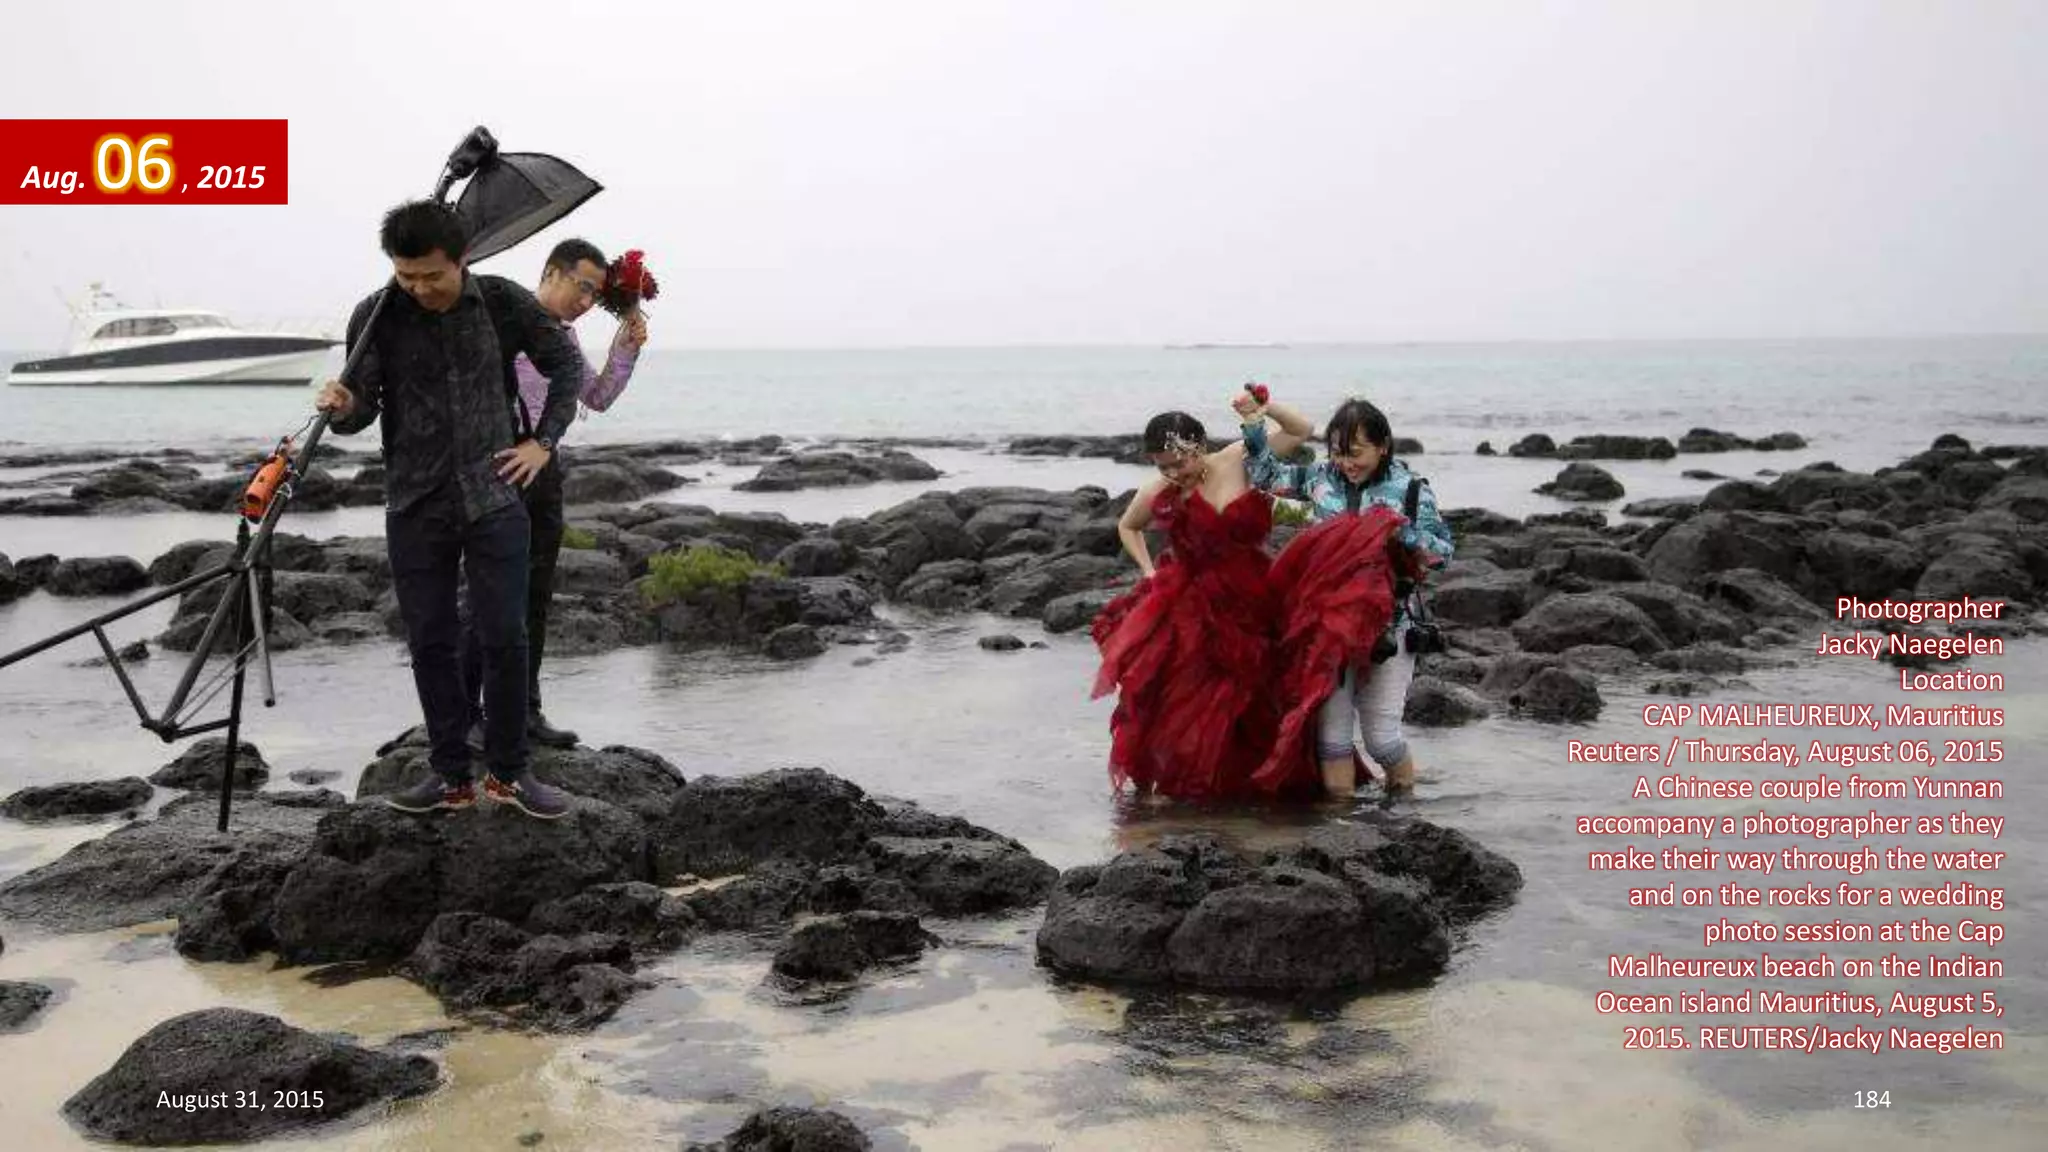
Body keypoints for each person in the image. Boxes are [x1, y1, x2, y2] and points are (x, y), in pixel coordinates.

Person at [315, 199, 586, 819]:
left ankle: (511, 775)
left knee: (505, 636)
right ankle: (450, 777)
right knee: (431, 640)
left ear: (461, 259)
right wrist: (342, 406)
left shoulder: (502, 302)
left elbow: (566, 364)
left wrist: (541, 443)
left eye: (431, 276)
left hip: (495, 494)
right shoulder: (378, 313)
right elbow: (362, 413)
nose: (419, 288)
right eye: (406, 275)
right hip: (414, 498)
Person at [459, 238, 650, 750]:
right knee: (486, 600)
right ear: (551, 273)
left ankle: (526, 711)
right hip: (495, 470)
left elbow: (598, 396)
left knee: (535, 598)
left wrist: (625, 347)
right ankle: (470, 715)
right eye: (581, 287)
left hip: (545, 474)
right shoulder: (502, 316)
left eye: (595, 293)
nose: (586, 301)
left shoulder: (563, 339)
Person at [1236, 391, 1454, 802]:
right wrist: (1252, 423)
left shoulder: (1410, 490)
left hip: (1392, 628)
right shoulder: (1321, 478)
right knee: (1332, 739)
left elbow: (1442, 553)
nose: (1346, 463)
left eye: (1356, 453)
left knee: (1382, 740)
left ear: (1383, 446)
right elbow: (1265, 475)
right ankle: (1341, 829)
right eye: (1338, 453)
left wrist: (1401, 534)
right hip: (1328, 628)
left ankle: (1406, 816)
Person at [1087, 405, 1312, 801]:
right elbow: (1128, 525)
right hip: (1192, 608)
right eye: (1162, 467)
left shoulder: (1239, 458)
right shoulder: (1160, 490)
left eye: (1178, 462)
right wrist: (1148, 572)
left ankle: (1260, 788)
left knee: (1264, 695)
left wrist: (1263, 408)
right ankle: (1198, 790)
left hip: (1255, 597)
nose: (1173, 474)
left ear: (1199, 445)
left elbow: (1302, 429)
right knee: (1193, 700)